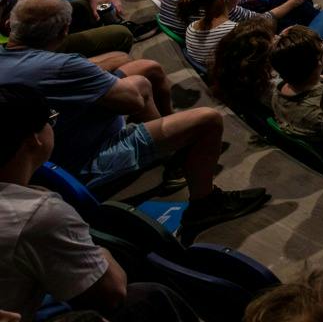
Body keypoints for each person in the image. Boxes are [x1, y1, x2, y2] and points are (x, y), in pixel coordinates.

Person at [0, 0, 268, 235]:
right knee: (207, 119)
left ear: (10, 27)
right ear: (64, 31)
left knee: (145, 72)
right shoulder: (62, 66)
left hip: (58, 136)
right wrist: (94, 75)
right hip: (84, 160)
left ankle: (173, 155)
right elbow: (130, 103)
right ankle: (204, 203)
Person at [0, 84, 201, 322]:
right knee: (147, 298)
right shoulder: (37, 214)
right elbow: (111, 293)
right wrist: (101, 251)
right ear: (34, 140)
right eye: (50, 120)